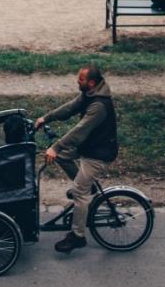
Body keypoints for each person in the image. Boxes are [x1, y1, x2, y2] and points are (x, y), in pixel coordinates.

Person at [34, 65, 118, 254]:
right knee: (62, 157)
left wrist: (55, 147)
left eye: (80, 79)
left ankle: (77, 236)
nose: (77, 81)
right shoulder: (89, 94)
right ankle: (91, 190)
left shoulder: (99, 106)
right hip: (89, 146)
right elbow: (69, 109)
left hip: (98, 153)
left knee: (79, 191)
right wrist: (46, 118)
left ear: (91, 82)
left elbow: (80, 130)